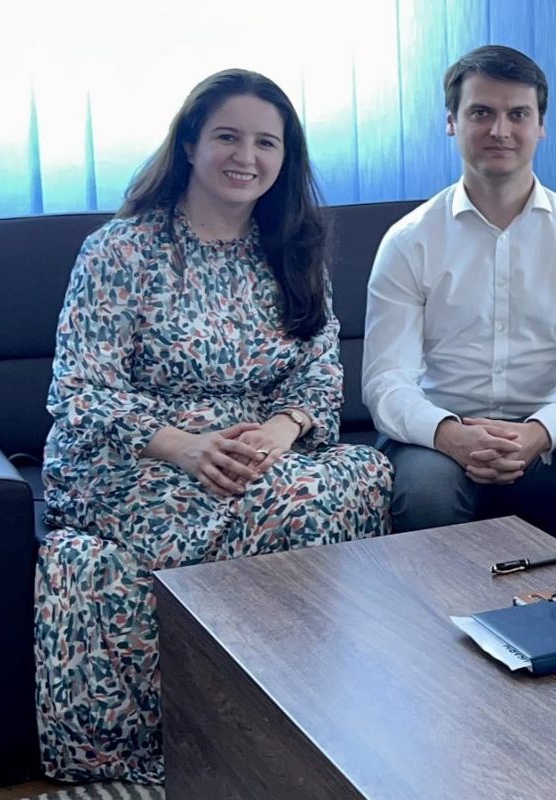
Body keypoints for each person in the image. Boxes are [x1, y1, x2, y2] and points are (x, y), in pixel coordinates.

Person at [35, 68, 393, 784]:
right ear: (190, 144)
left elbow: (319, 370)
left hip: (255, 449)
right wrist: (188, 449)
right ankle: (220, 732)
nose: (246, 157)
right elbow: (79, 390)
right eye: (228, 136)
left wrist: (282, 431)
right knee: (294, 505)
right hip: (132, 455)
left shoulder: (293, 248)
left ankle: (291, 709)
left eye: (267, 142)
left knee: (365, 473)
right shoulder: (121, 250)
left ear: (285, 157)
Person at [363, 45, 556, 570]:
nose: (500, 130)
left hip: (550, 437)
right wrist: (449, 434)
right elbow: (385, 382)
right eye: (481, 113)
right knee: (424, 491)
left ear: (541, 126)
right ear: (451, 122)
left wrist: (538, 432)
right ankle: (451, 621)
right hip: (438, 437)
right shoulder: (409, 241)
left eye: (518, 114)